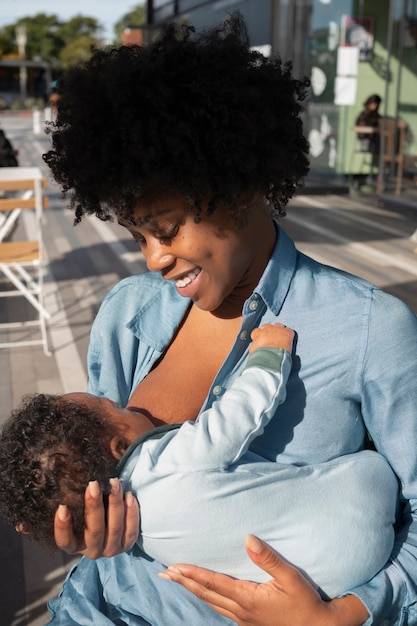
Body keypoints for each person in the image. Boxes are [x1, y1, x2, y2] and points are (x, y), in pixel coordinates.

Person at [43, 12, 417, 626]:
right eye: (139, 237)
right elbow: (99, 470)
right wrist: (92, 527)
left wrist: (347, 615)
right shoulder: (127, 314)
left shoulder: (370, 330)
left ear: (240, 187)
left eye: (166, 231)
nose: (155, 259)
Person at [0, 323, 398, 603]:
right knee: (369, 466)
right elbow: (238, 416)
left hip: (321, 581)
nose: (131, 404)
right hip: (357, 527)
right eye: (115, 406)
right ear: (120, 447)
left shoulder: (148, 543)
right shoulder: (170, 460)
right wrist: (270, 353)